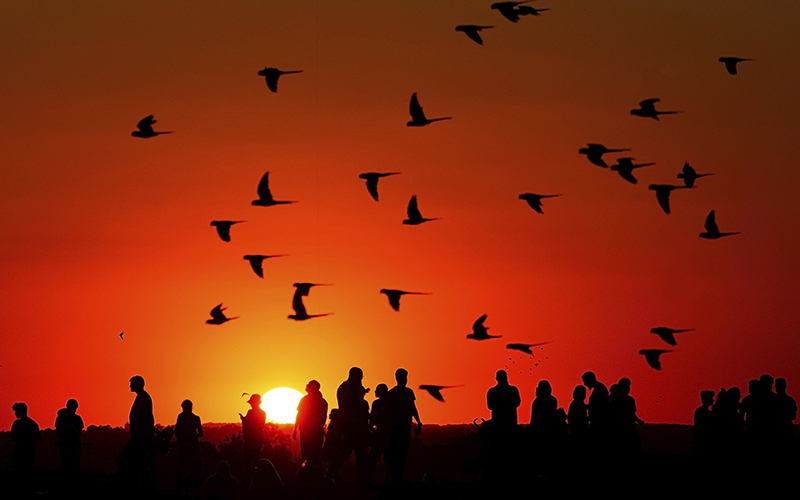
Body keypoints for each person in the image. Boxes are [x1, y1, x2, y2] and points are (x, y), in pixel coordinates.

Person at [326, 367, 371, 482]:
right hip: (349, 424)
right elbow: (347, 403)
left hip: (357, 424)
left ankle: (361, 479)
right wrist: (359, 393)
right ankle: (330, 473)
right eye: (360, 377)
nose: (361, 379)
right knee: (347, 451)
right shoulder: (346, 388)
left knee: (360, 453)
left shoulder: (352, 388)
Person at [385, 368, 422, 483]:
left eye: (405, 377)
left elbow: (413, 408)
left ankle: (398, 476)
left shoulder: (407, 392)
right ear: (397, 378)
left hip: (405, 426)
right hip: (396, 427)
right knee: (396, 451)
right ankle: (395, 476)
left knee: (403, 451)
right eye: (402, 377)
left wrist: (419, 422)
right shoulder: (393, 393)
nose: (404, 380)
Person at [293, 380, 328, 477]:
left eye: (308, 385)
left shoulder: (305, 400)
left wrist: (295, 429)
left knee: (310, 453)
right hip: (315, 431)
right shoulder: (323, 402)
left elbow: (299, 415)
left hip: (308, 431)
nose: (306, 386)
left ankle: (310, 474)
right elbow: (323, 418)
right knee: (315, 453)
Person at [174, 399, 204, 490]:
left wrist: (184, 438)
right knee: (191, 469)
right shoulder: (195, 418)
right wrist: (192, 436)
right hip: (192, 447)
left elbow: (177, 431)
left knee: (184, 469)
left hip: (186, 447)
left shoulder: (181, 417)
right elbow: (201, 434)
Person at [55, 398, 84, 475]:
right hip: (73, 445)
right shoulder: (77, 419)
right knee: (73, 465)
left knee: (65, 464)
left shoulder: (60, 418)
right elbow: (80, 433)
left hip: (66, 444)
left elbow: (58, 432)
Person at [240, 394, 267, 475]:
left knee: (249, 463)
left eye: (252, 403)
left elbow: (253, 425)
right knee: (254, 461)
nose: (251, 404)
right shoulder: (262, 413)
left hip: (252, 440)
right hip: (256, 440)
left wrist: (244, 420)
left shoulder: (252, 413)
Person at [11, 402, 41, 472]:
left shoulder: (17, 424)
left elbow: (13, 438)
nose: (15, 413)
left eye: (16, 411)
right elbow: (38, 438)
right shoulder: (33, 424)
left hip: (19, 453)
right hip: (30, 453)